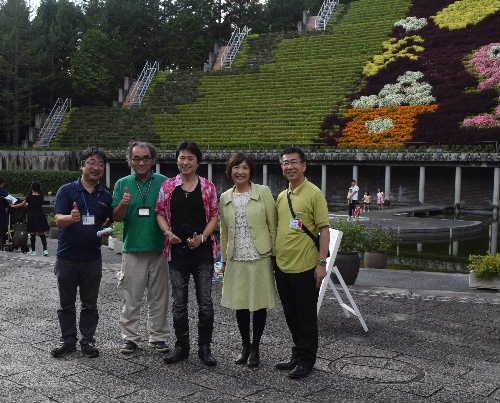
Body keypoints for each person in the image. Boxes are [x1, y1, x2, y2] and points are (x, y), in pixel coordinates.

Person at [156, 141, 219, 366]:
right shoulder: (169, 186)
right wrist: (167, 232)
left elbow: (214, 215)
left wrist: (202, 237)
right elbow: (160, 213)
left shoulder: (208, 187)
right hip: (177, 253)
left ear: (197, 162)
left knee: (205, 303)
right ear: (177, 160)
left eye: (190, 158)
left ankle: (205, 347)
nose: (185, 162)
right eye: (182, 158)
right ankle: (181, 346)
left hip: (202, 253)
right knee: (179, 303)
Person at [51, 148, 113, 358]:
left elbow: (109, 220)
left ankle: (88, 341)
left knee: (90, 304)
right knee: (65, 303)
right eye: (92, 163)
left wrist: (106, 230)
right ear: (82, 166)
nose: (96, 168)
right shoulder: (67, 190)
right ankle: (68, 340)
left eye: (100, 164)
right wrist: (71, 218)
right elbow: (58, 219)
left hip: (92, 258)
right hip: (67, 256)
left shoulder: (105, 194)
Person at [274, 147, 330, 379]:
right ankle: (297, 353)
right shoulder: (281, 196)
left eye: (294, 162)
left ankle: (308, 360)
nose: (289, 167)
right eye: (285, 163)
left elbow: (324, 229)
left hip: (306, 267)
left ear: (304, 165)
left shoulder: (314, 193)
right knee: (291, 315)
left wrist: (322, 263)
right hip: (283, 266)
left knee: (306, 317)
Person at [219, 153, 277, 368]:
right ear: (230, 171)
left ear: (251, 171)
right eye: (236, 167)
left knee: (258, 303)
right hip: (236, 257)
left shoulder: (263, 192)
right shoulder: (225, 197)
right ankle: (244, 345)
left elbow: (273, 224)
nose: (240, 172)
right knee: (241, 303)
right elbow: (223, 231)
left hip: (260, 255)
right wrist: (224, 260)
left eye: (244, 168)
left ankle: (256, 347)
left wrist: (274, 255)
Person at [112, 141, 170, 355]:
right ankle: (130, 338)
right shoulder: (122, 183)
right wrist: (124, 204)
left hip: (159, 248)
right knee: (131, 296)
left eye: (145, 158)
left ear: (153, 160)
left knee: (159, 296)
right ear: (130, 160)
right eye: (136, 158)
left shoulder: (164, 182)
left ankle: (158, 336)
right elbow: (116, 217)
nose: (141, 162)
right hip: (133, 248)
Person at [14, 182, 50, 256]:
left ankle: (33, 251)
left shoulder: (29, 196)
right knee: (42, 233)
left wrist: (13, 206)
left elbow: (23, 204)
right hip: (40, 216)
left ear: (32, 188)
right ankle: (45, 250)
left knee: (32, 233)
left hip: (32, 216)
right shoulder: (41, 196)